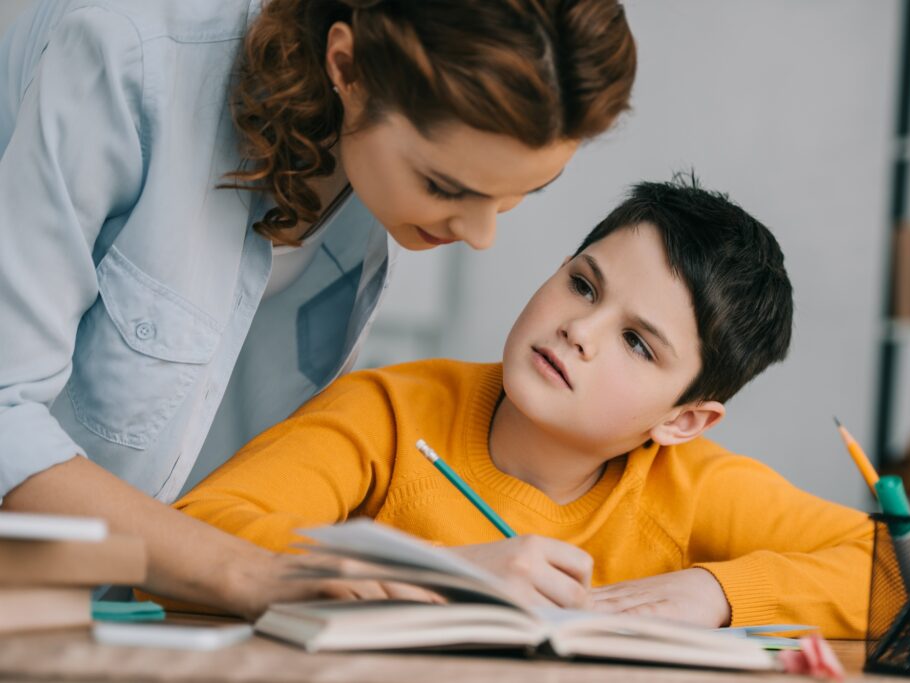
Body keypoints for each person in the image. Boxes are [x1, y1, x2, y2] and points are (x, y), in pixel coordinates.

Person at [0, 0, 636, 619]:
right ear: (347, 66)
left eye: (517, 193)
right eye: (444, 186)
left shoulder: (372, 177)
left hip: (156, 622)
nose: (479, 233)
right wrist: (249, 572)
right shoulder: (127, 56)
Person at [175, 177, 874, 637]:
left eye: (636, 342)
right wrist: (443, 576)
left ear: (683, 419)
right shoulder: (387, 411)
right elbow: (199, 530)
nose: (580, 329)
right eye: (583, 285)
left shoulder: (692, 485)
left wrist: (718, 590)